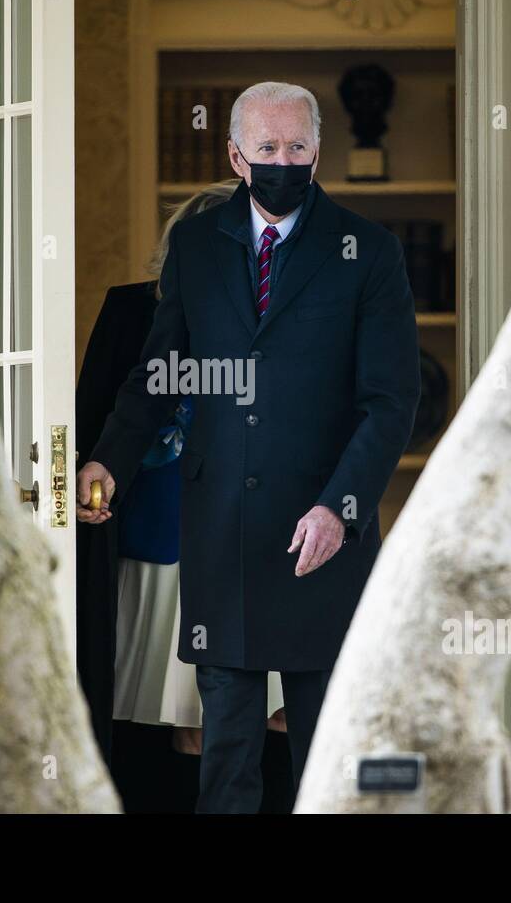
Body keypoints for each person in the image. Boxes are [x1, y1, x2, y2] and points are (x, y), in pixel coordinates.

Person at [76, 81, 420, 813]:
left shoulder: (370, 250)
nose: (284, 161)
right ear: (236, 156)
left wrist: (340, 509)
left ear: (318, 152)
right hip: (222, 531)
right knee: (225, 756)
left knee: (326, 752)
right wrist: (109, 458)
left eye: (298, 148)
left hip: (321, 534)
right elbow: (160, 374)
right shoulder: (197, 247)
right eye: (267, 149)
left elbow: (391, 404)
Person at [75, 183, 292, 813]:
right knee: (183, 722)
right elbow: (96, 418)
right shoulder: (134, 309)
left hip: (262, 542)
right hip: (158, 537)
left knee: (276, 711)